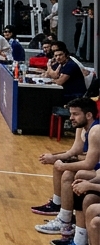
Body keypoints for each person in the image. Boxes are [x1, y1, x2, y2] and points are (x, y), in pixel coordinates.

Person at [34, 98, 100, 235]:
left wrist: (63, 165)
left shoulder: (96, 130)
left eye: (75, 114)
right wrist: (55, 158)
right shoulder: (83, 127)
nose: (71, 118)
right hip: (96, 169)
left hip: (96, 169)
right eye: (71, 114)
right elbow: (74, 151)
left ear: (88, 115)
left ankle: (66, 221)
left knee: (70, 173)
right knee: (64, 167)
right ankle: (61, 210)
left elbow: (89, 163)